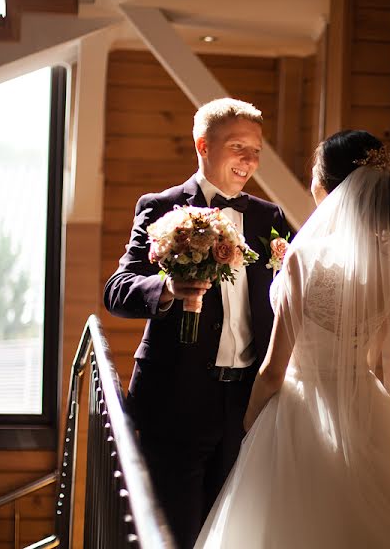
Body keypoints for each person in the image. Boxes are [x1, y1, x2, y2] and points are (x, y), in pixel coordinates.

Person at [195, 130, 390, 548]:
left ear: (335, 185)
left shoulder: (306, 256)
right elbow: (376, 359)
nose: (311, 182)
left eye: (316, 172)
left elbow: (273, 368)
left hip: (300, 407)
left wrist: (250, 425)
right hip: (365, 403)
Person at [103, 98, 291, 548]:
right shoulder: (161, 208)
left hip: (247, 403)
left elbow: (316, 273)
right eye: (237, 147)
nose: (249, 160)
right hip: (176, 399)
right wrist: (167, 288)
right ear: (204, 146)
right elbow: (117, 289)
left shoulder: (270, 218)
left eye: (256, 150)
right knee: (176, 532)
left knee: (231, 532)